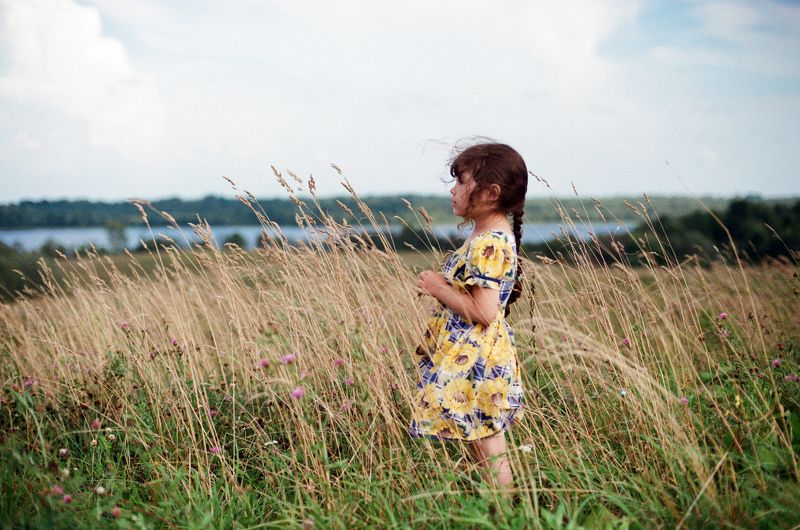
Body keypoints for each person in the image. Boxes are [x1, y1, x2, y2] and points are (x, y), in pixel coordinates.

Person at [408, 141, 528, 498]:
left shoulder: (489, 242)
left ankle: (505, 512)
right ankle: (494, 507)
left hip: (478, 357)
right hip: (472, 354)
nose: (453, 189)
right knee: (479, 439)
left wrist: (438, 288)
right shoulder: (486, 236)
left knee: (489, 444)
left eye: (461, 181)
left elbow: (484, 312)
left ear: (491, 193)